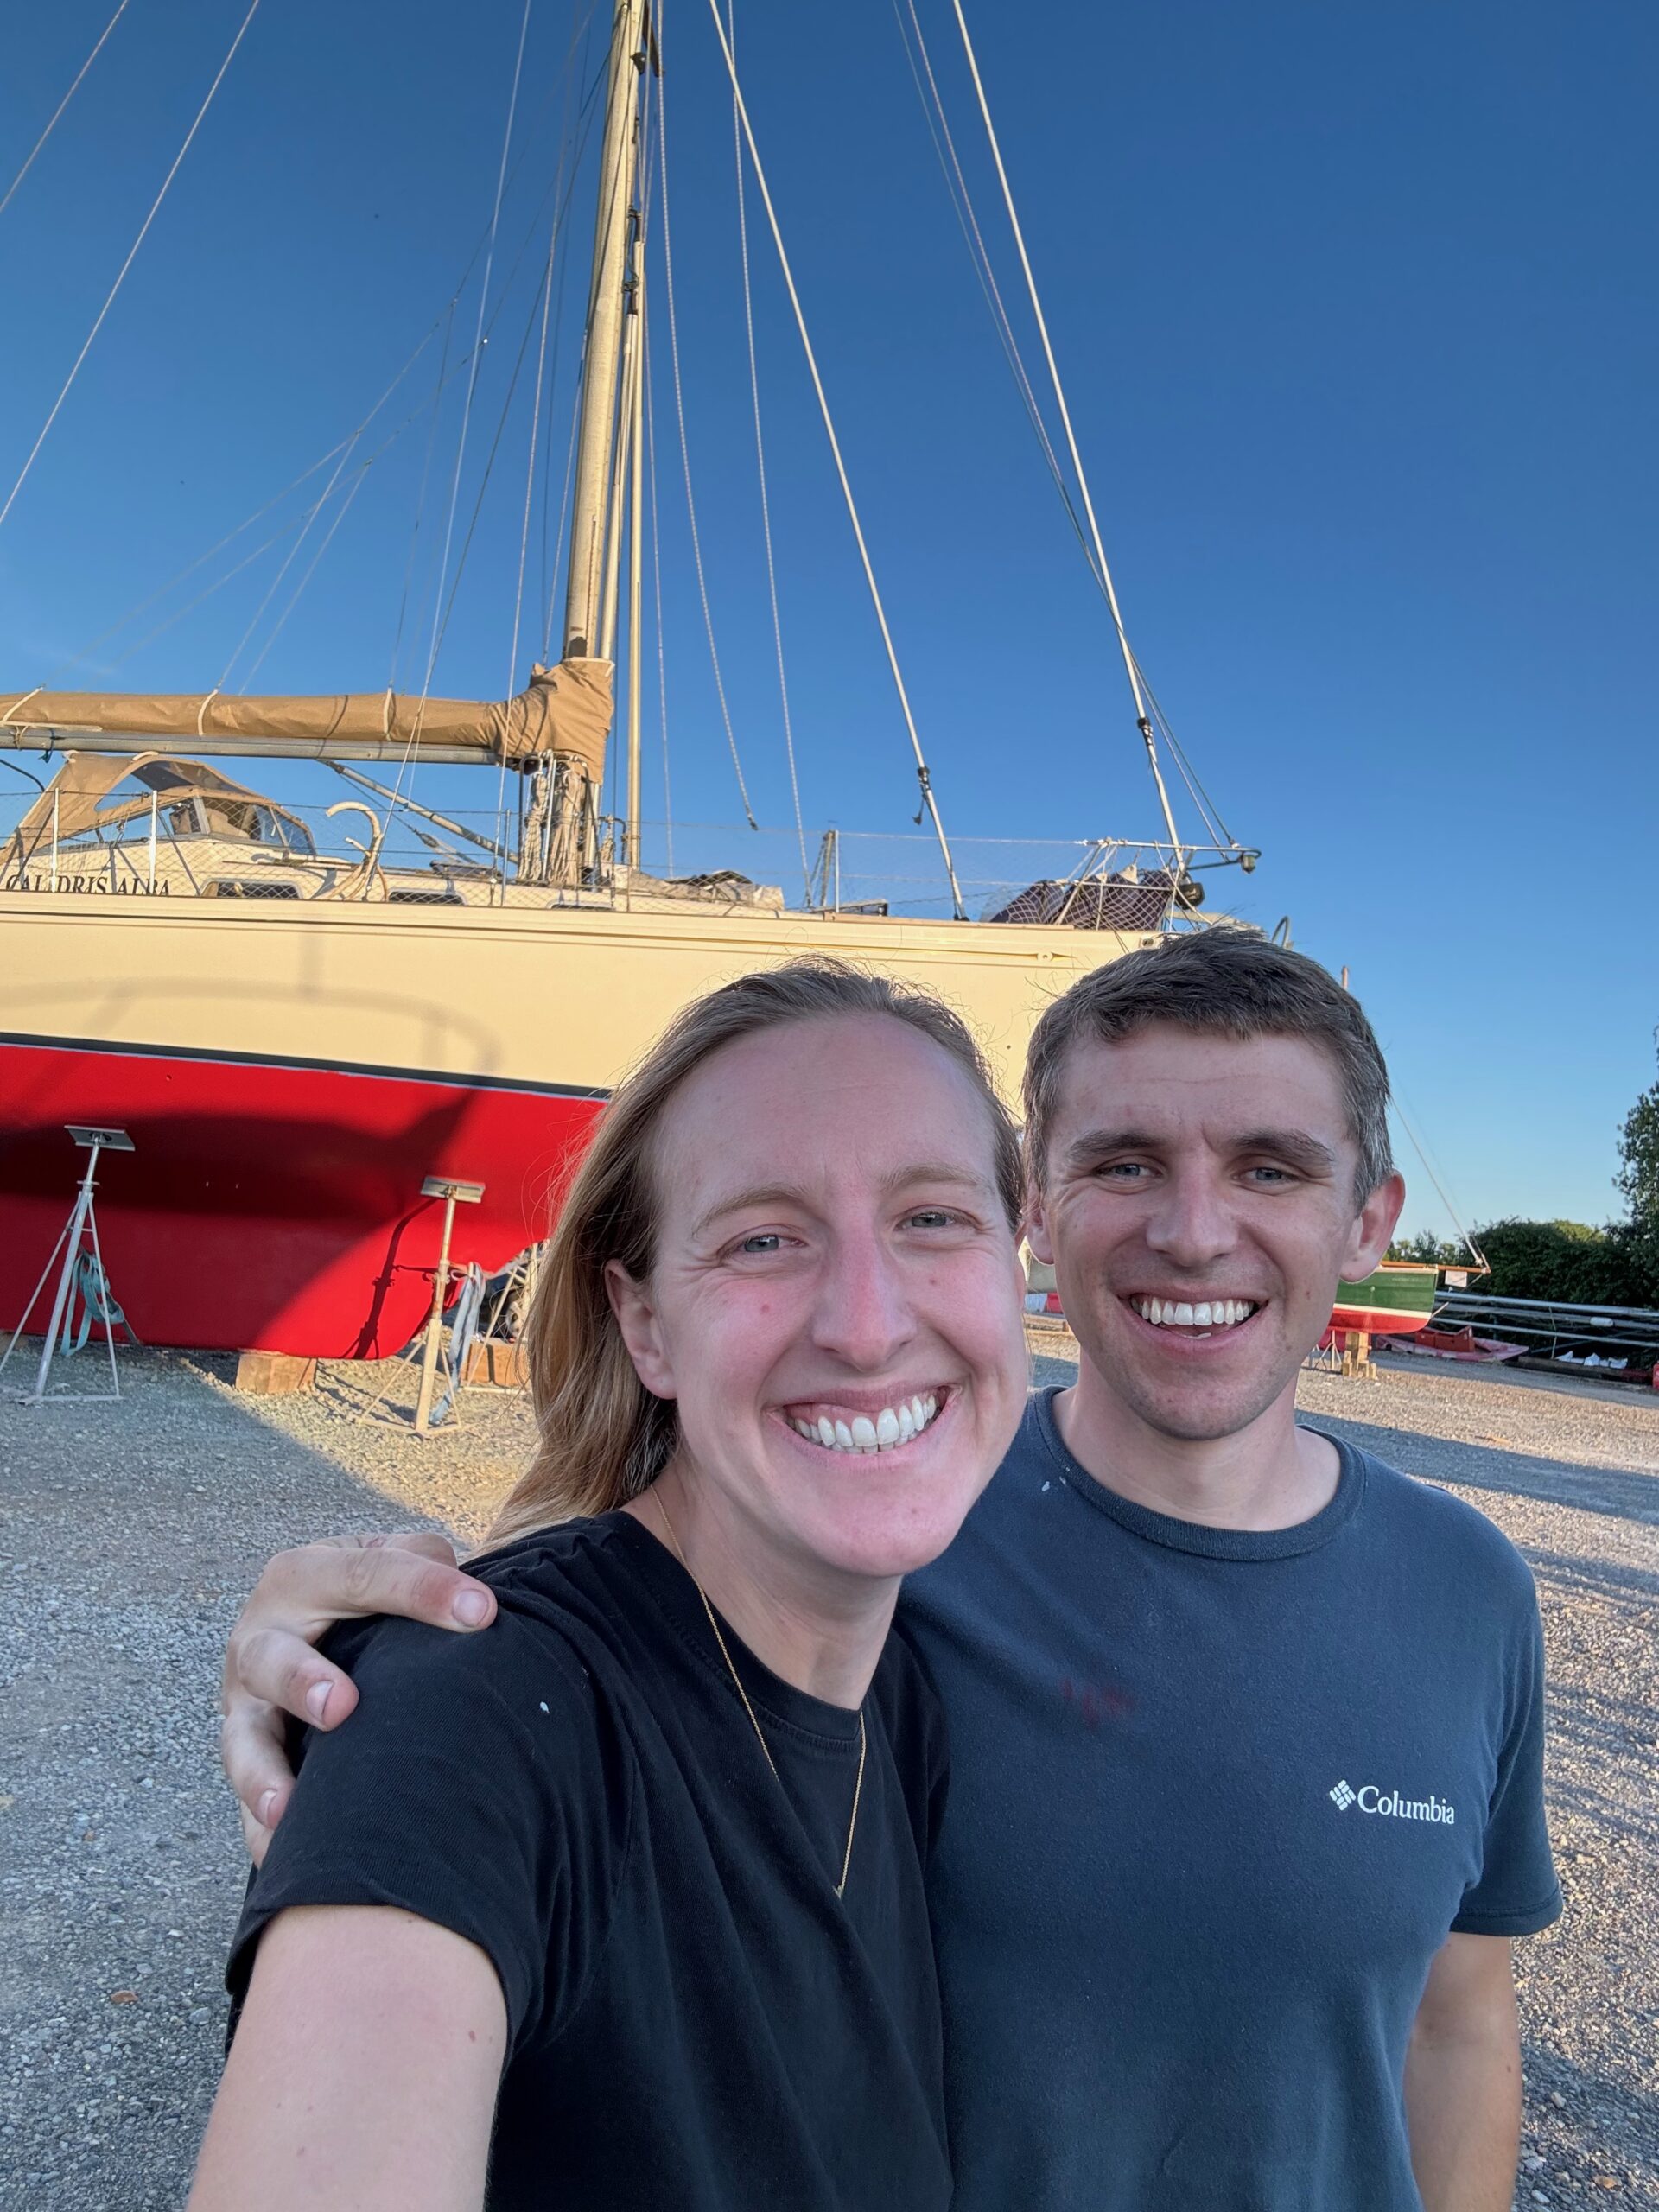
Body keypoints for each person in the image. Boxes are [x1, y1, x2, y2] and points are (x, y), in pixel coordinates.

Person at [220, 932, 1560, 2212]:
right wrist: (360, 1688)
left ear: (1369, 1221)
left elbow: (1456, 2025)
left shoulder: (1471, 1594)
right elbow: (511, 1770)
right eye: (1127, 1163)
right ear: (1042, 1218)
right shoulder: (857, 1544)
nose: (1197, 1232)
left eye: (1270, 1168)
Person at [189, 959, 1033, 2211]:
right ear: (644, 1326)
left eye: (935, 1219)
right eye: (762, 1239)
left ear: (1015, 1263)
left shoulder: (904, 1703)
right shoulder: (470, 1705)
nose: (866, 1325)